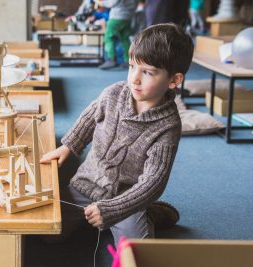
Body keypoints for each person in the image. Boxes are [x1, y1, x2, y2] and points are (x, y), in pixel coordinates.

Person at [40, 23, 194, 246]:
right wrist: (68, 146)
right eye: (132, 67)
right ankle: (108, 216)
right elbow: (90, 117)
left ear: (174, 80)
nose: (135, 78)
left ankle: (149, 213)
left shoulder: (168, 127)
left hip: (127, 200)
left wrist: (113, 208)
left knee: (135, 252)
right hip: (87, 184)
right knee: (46, 233)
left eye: (147, 72)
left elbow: (153, 182)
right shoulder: (114, 93)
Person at [97, 0, 137, 70]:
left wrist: (100, 3)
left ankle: (111, 59)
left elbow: (112, 2)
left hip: (116, 17)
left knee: (108, 37)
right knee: (125, 39)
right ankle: (127, 61)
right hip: (128, 17)